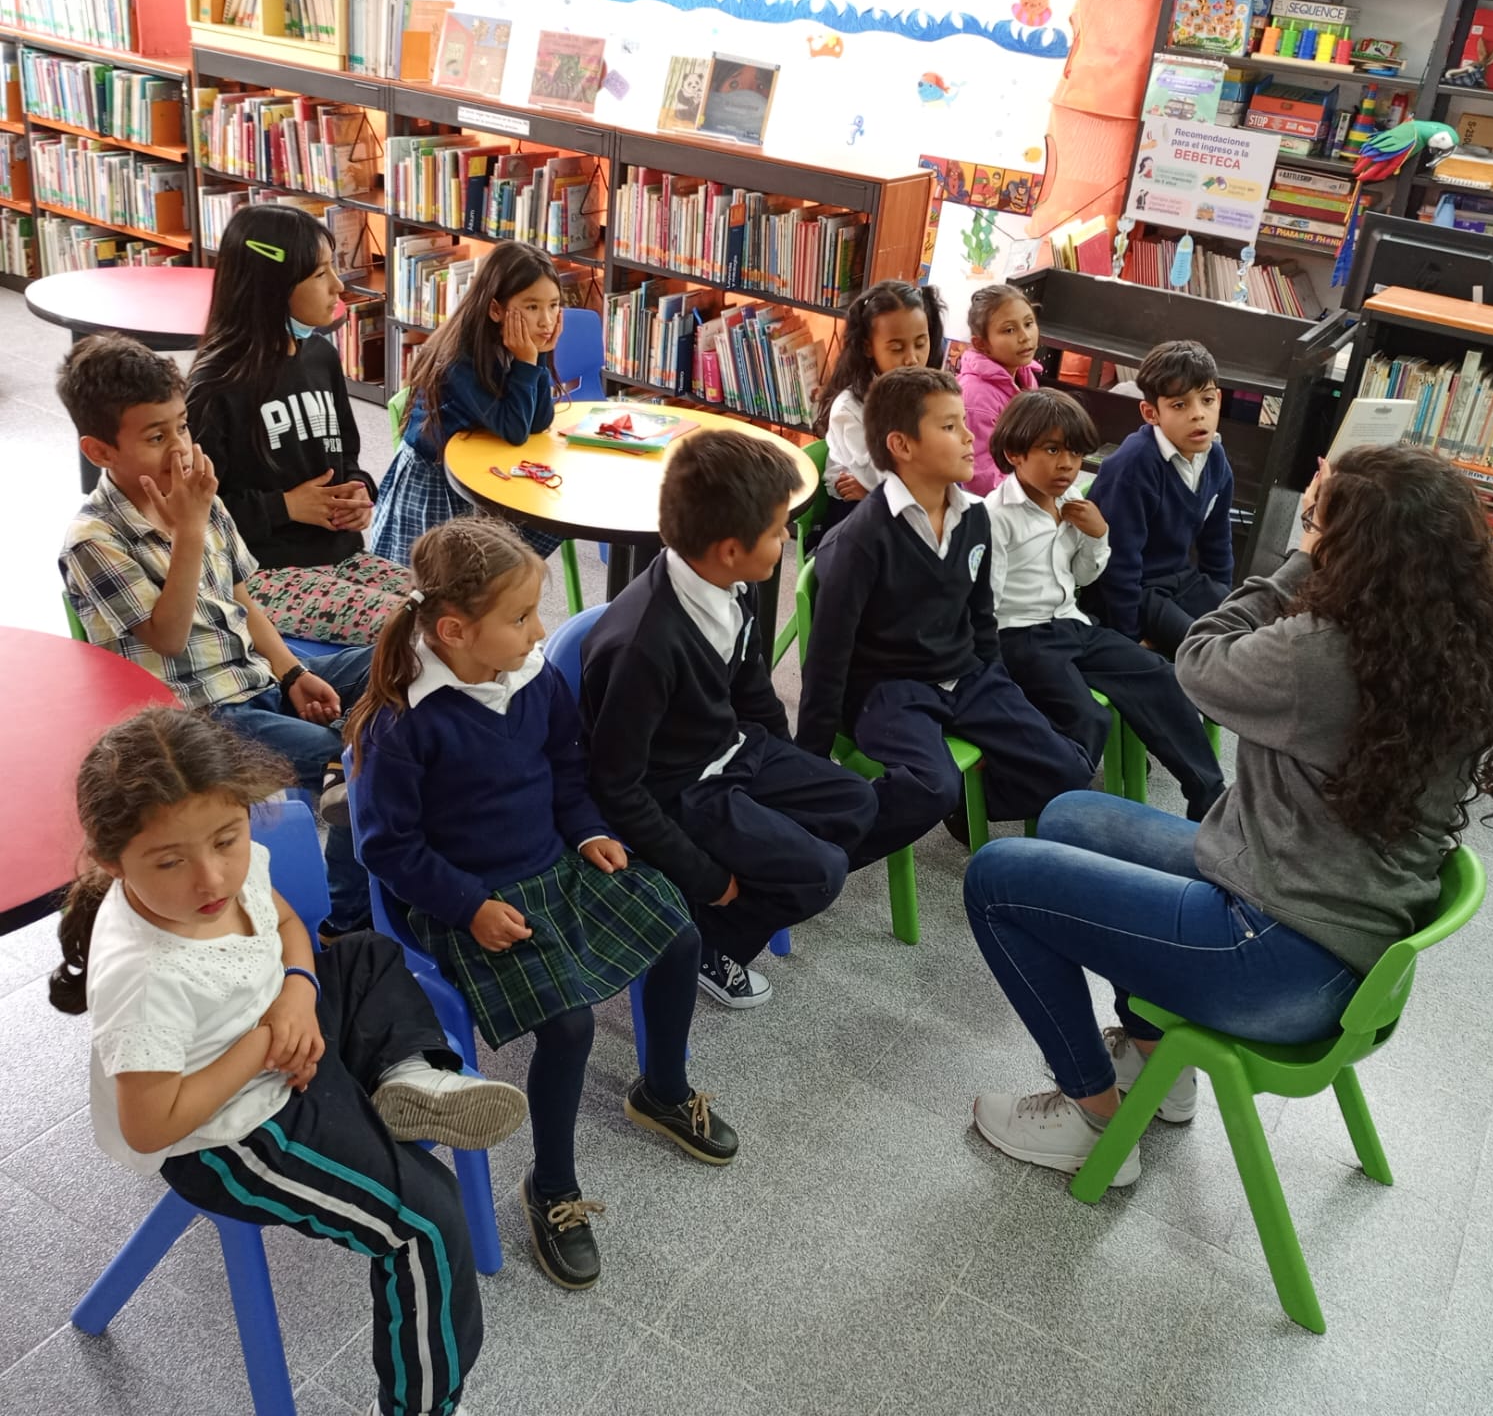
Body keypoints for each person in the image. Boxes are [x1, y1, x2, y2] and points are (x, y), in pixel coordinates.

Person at [964, 447, 1493, 1181]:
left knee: (995, 878)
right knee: (1073, 816)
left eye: (1321, 521)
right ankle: (1153, 1063)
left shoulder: (1316, 653)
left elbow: (1196, 655)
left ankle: (1088, 1117)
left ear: (1345, 549)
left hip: (1274, 958)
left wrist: (1299, 558)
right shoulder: (1457, 649)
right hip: (1335, 929)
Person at [51, 707, 528, 1416]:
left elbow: (287, 924)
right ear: (114, 859)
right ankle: (423, 1407)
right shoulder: (143, 978)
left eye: (227, 838)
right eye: (170, 860)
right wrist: (265, 1042)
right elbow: (153, 1127)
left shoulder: (229, 868)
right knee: (426, 1225)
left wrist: (298, 993)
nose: (211, 875)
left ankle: (407, 1075)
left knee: (366, 952)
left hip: (279, 1038)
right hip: (231, 1134)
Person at [345, 518, 734, 1291]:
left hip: (552, 861)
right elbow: (387, 850)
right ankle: (551, 1185)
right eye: (522, 616)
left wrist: (587, 829)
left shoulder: (533, 679)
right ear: (455, 630)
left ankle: (660, 1088)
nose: (540, 631)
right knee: (568, 1023)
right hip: (465, 898)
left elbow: (566, 768)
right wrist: (469, 907)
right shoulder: (403, 721)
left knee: (679, 935)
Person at [57, 335, 374, 932]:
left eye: (181, 427)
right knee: (357, 769)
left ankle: (401, 825)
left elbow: (242, 597)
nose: (178, 448)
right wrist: (190, 531)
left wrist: (295, 672)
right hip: (197, 720)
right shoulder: (93, 541)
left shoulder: (198, 495)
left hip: (257, 676)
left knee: (392, 663)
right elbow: (169, 637)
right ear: (100, 450)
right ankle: (341, 919)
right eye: (156, 437)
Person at [583, 430, 877, 1009]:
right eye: (776, 532)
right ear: (728, 548)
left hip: (733, 751)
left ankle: (759, 891)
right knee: (822, 873)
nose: (788, 538)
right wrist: (707, 878)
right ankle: (712, 945)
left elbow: (753, 689)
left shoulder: (733, 585)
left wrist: (788, 762)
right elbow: (618, 786)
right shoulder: (645, 646)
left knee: (858, 804)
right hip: (681, 788)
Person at [795, 365, 1092, 859]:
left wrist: (998, 684)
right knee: (935, 785)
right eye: (950, 426)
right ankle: (814, 851)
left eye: (963, 423)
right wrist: (809, 759)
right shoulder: (859, 541)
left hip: (967, 677)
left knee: (1069, 767)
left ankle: (967, 808)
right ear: (902, 446)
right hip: (889, 690)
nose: (970, 435)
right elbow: (827, 655)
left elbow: (981, 618)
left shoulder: (976, 516)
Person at [988, 390, 1225, 821]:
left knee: (1159, 675)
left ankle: (1208, 792)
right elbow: (984, 601)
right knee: (1088, 718)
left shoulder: (1072, 503)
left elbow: (1081, 578)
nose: (1067, 464)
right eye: (1053, 450)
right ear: (1015, 453)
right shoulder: (996, 516)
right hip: (1021, 636)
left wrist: (1097, 537)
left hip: (1071, 624)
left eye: (1076, 453)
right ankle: (986, 803)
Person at [185, 204, 410, 646]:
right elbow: (194, 518)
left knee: (463, 609)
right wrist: (284, 507)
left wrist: (360, 491)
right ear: (272, 288)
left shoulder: (321, 355)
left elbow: (345, 458)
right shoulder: (215, 386)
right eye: (319, 274)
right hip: (264, 576)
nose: (338, 286)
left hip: (343, 557)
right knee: (420, 630)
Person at [371, 241, 565, 565]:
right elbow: (515, 431)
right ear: (495, 310)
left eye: (554, 305)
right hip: (433, 484)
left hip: (477, 470)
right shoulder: (459, 358)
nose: (546, 320)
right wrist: (529, 363)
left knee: (547, 523)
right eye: (532, 307)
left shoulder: (516, 347)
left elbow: (538, 422)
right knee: (440, 587)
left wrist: (539, 357)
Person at [1085, 339, 1234, 659]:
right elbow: (1119, 563)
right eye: (1180, 405)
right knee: (1207, 653)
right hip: (1140, 592)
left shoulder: (1216, 458)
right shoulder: (1134, 466)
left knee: (1245, 629)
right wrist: (1130, 637)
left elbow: (1218, 543)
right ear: (1151, 413)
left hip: (1183, 581)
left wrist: (1225, 600)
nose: (1198, 415)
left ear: (1218, 399)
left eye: (1207, 400)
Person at [813, 280, 945, 532]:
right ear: (867, 347)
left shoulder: (933, 392)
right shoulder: (849, 408)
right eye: (896, 348)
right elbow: (880, 477)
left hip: (903, 502)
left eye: (920, 343)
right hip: (858, 519)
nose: (912, 358)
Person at [956, 284, 1041, 496]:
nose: (1025, 336)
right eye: (1009, 330)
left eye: (1029, 324)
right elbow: (980, 477)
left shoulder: (1024, 375)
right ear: (981, 344)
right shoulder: (976, 397)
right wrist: (1031, 496)